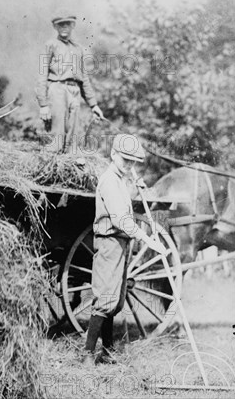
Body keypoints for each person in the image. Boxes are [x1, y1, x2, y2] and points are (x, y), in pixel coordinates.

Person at [82, 134, 166, 365]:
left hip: (121, 243)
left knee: (115, 299)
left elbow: (124, 206)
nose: (129, 164)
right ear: (113, 155)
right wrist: (147, 240)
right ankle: (87, 354)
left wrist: (137, 190)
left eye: (132, 161)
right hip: (110, 242)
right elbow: (120, 219)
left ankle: (107, 352)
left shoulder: (120, 180)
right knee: (105, 298)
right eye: (124, 159)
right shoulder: (109, 180)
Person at [35, 13, 105, 153]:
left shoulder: (78, 48)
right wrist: (43, 104)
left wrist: (94, 105)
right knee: (57, 134)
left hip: (75, 91)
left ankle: (70, 163)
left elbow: (84, 78)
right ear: (55, 27)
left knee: (73, 136)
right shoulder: (51, 45)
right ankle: (51, 165)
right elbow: (42, 75)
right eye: (61, 24)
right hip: (57, 89)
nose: (64, 27)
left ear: (73, 25)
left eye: (67, 24)